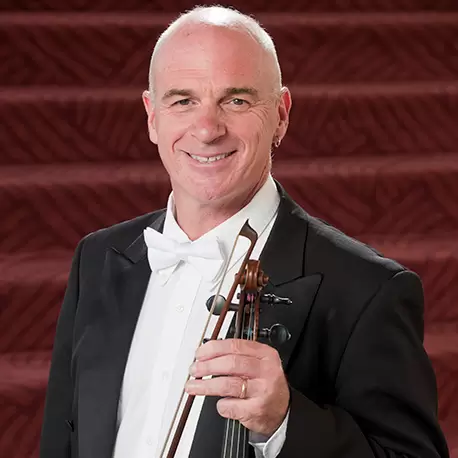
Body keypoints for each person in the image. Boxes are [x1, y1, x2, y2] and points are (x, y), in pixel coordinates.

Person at [39, 5, 449, 458]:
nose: (207, 129)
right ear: (152, 117)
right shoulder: (99, 258)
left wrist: (284, 423)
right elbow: (63, 438)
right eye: (183, 101)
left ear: (281, 115)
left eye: (236, 101)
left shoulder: (366, 290)